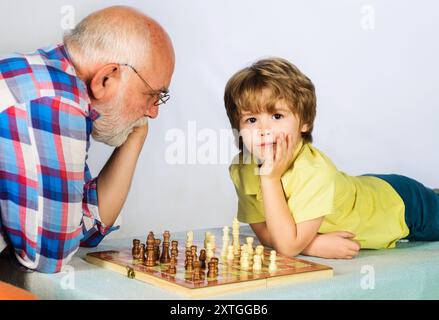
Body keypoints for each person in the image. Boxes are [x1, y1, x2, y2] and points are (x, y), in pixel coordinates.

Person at [0, 6, 175, 272]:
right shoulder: (56, 101)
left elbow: (86, 230)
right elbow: (48, 258)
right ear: (106, 78)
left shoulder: (59, 83)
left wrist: (136, 133)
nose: (154, 111)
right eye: (152, 95)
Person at [224, 57, 439, 259]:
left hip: (401, 205)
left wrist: (308, 244)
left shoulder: (315, 171)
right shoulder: (243, 169)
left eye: (277, 116)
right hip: (358, 189)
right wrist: (313, 244)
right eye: (251, 120)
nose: (264, 129)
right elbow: (268, 234)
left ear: (305, 122)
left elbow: (287, 246)